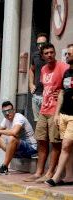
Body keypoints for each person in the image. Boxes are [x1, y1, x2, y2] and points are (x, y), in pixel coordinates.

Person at [24, 43, 69, 183]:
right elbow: (46, 87)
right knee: (41, 141)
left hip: (56, 110)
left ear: (55, 53)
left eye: (52, 52)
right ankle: (39, 172)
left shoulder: (63, 67)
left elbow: (68, 85)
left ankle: (50, 172)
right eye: (47, 53)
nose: (49, 55)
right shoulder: (43, 69)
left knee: (55, 143)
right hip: (44, 109)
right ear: (42, 56)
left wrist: (63, 95)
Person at [45, 44, 73, 186]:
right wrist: (57, 114)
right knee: (68, 147)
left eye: (69, 54)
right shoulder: (67, 72)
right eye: (67, 54)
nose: (66, 56)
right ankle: (69, 177)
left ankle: (55, 177)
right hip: (63, 114)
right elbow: (62, 92)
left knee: (66, 145)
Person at [29, 33, 48, 122]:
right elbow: (31, 70)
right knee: (37, 122)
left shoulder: (49, 56)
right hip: (36, 94)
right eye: (38, 44)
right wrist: (31, 84)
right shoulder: (35, 55)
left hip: (46, 95)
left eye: (43, 44)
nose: (40, 46)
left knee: (46, 122)